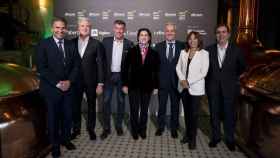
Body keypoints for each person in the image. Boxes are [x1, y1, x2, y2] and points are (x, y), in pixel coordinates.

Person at [36, 17, 79, 158]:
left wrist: (69, 82)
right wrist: (58, 83)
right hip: (51, 89)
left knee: (67, 117)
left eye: (62, 28)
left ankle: (65, 140)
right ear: (52, 28)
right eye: (57, 28)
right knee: (53, 119)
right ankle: (54, 146)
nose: (60, 30)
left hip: (68, 89)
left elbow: (76, 66)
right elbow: (42, 68)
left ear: (65, 29)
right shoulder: (43, 44)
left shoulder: (71, 44)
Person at [206, 24, 246, 151]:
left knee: (230, 115)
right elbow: (206, 70)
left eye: (224, 32)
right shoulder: (209, 50)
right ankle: (216, 137)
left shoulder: (237, 50)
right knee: (214, 114)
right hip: (213, 88)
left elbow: (242, 68)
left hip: (230, 89)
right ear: (215, 35)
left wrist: (232, 80)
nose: (221, 35)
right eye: (218, 32)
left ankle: (230, 139)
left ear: (228, 34)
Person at [122, 28, 160, 140]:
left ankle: (142, 130)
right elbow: (125, 69)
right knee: (134, 110)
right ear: (138, 37)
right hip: (133, 86)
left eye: (146, 35)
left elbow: (156, 71)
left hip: (147, 87)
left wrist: (156, 86)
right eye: (141, 35)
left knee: (144, 110)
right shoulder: (131, 51)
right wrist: (125, 84)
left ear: (149, 38)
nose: (143, 37)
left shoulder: (154, 53)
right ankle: (134, 130)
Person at [72, 17, 105, 140]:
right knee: (75, 106)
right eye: (82, 26)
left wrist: (100, 83)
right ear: (78, 28)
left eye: (87, 26)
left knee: (91, 106)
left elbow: (101, 64)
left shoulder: (97, 44)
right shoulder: (71, 43)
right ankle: (76, 129)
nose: (85, 28)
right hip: (75, 82)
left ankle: (91, 129)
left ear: (90, 28)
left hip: (91, 81)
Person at [101, 20, 134, 139]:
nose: (119, 30)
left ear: (124, 30)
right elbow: (101, 61)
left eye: (121, 28)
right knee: (106, 102)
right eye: (117, 28)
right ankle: (106, 128)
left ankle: (119, 126)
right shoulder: (105, 41)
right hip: (108, 77)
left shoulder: (129, 44)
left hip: (121, 77)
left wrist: (127, 82)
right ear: (113, 29)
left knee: (121, 102)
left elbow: (130, 66)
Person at [176, 31, 209, 149]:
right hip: (184, 88)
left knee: (194, 115)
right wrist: (182, 80)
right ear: (187, 41)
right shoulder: (183, 52)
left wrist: (188, 82)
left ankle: (193, 138)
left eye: (195, 39)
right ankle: (188, 134)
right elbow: (178, 67)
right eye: (190, 39)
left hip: (196, 89)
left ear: (198, 40)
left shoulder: (204, 54)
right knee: (187, 114)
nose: (192, 41)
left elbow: (203, 72)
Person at [154, 23, 184, 138]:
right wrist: (156, 84)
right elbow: (156, 67)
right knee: (161, 106)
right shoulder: (158, 46)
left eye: (172, 31)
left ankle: (174, 128)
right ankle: (160, 127)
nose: (170, 33)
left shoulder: (182, 46)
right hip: (162, 83)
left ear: (175, 32)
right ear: (165, 32)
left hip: (177, 83)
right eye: (167, 31)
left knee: (175, 107)